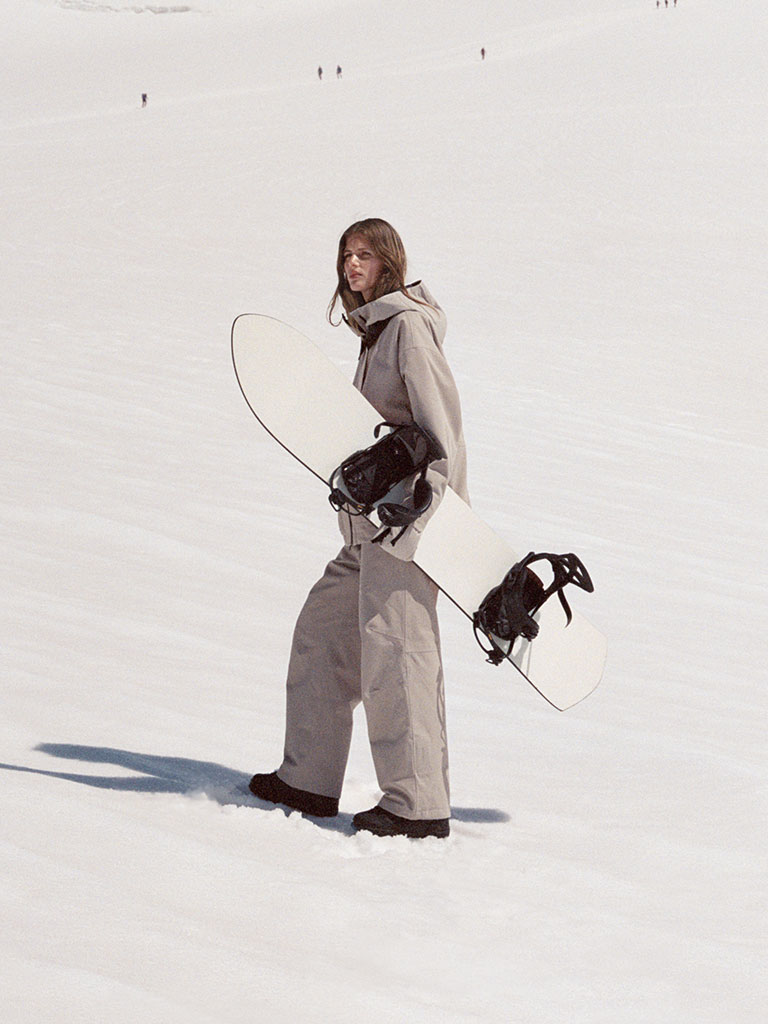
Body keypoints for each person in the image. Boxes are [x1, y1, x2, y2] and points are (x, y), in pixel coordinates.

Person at [249, 218, 469, 839]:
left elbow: (442, 431)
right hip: (368, 532)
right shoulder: (375, 332)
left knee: (399, 659)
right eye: (346, 255)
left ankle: (416, 805)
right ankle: (309, 778)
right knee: (322, 634)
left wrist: (423, 510)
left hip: (408, 531)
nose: (351, 265)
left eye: (364, 255)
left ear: (389, 261)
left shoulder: (408, 328)